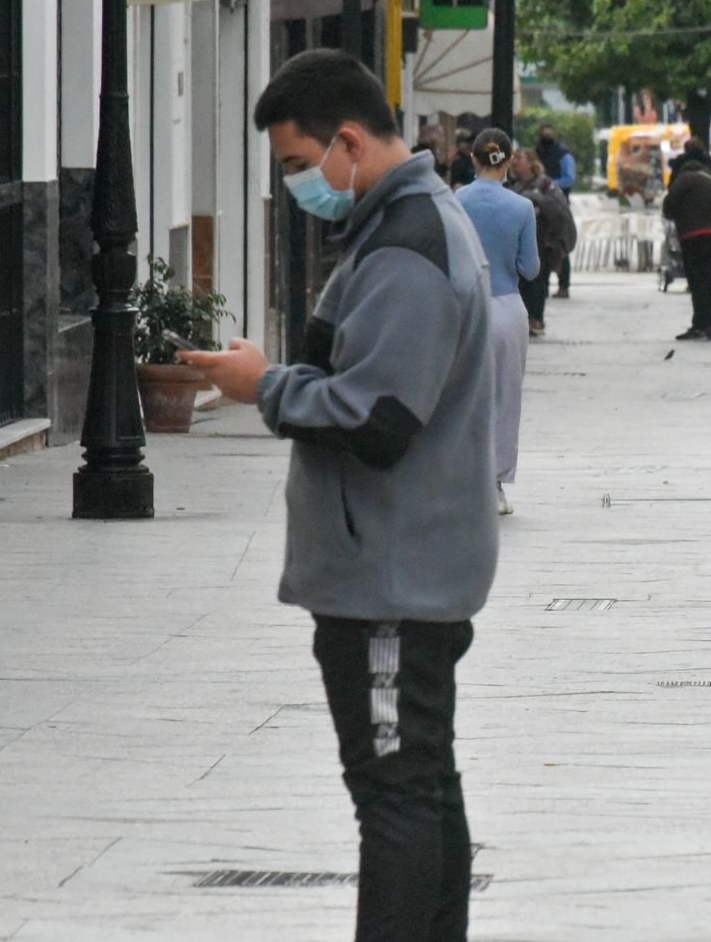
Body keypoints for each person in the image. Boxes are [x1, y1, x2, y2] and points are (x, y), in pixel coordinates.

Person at [177, 48, 497, 941]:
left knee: (394, 795)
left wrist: (262, 387)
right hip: (400, 565)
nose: (294, 183)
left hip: (391, 576)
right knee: (421, 781)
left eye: (294, 163)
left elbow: (379, 420)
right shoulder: (400, 230)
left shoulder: (408, 247)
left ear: (347, 142)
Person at [457, 128, 539, 516]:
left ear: (473, 158)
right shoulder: (521, 208)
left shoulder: (456, 201)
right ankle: (496, 484)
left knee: (463, 394)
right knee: (507, 396)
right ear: (508, 160)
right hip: (507, 306)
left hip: (466, 306)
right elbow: (531, 268)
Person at [661, 139, 711, 341]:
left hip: (694, 235)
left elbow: (668, 206)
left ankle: (698, 325)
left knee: (697, 280)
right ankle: (710, 326)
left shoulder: (685, 178)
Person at [509, 147, 574, 337]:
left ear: (530, 162)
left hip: (543, 242)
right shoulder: (514, 186)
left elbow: (559, 211)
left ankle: (536, 318)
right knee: (523, 283)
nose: (514, 162)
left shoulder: (545, 184)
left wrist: (537, 201)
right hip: (520, 243)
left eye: (518, 158)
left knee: (538, 281)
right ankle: (526, 318)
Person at [535, 124, 577, 299]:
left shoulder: (564, 155)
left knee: (560, 244)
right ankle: (542, 285)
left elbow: (569, 178)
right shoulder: (536, 154)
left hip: (558, 206)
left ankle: (563, 285)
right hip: (538, 206)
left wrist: (548, 185)